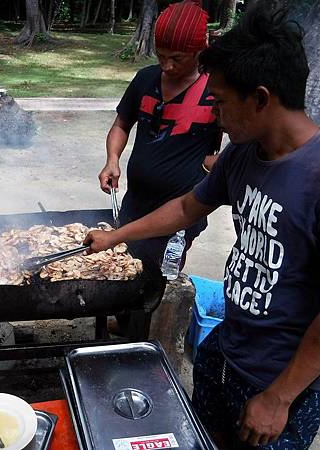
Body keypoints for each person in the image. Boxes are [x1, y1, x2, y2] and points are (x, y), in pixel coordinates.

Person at [85, 5, 320, 449]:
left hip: (280, 383)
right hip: (225, 350)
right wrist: (115, 237)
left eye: (222, 102)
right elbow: (189, 207)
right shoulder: (242, 154)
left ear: (261, 98)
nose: (216, 112)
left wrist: (279, 397)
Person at [99, 0, 222, 334]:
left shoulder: (216, 92)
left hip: (181, 211)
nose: (167, 66)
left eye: (177, 59)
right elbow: (121, 124)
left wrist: (215, 164)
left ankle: (146, 334)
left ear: (201, 48)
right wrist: (113, 159)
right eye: (161, 55)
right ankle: (125, 322)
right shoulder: (145, 79)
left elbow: (237, 143)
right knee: (124, 264)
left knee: (160, 277)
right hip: (136, 203)